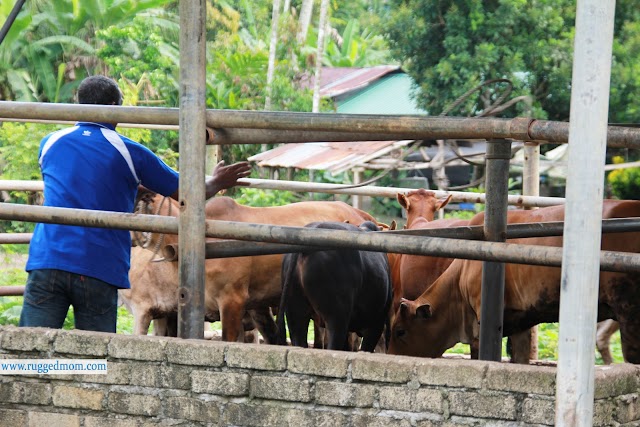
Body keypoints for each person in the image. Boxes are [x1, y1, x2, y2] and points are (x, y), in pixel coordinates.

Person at [19, 75, 251, 333]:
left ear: (79, 103)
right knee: (95, 354)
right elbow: (187, 193)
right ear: (114, 106)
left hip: (47, 259)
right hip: (98, 265)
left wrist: (130, 189)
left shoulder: (49, 143)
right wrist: (218, 181)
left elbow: (81, 182)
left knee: (31, 346)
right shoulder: (130, 152)